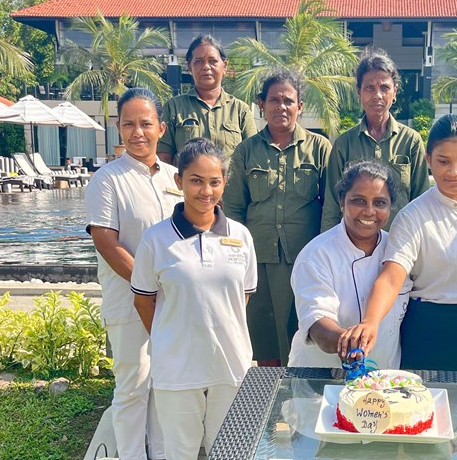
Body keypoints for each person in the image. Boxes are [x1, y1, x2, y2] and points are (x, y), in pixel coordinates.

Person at [339, 114, 457, 374]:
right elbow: (391, 278)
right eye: (443, 161)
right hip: (429, 334)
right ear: (427, 159)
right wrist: (370, 322)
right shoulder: (413, 216)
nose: (453, 171)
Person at [132, 138, 257, 460]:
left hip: (230, 365)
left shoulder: (241, 237)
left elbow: (241, 297)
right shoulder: (156, 239)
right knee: (180, 452)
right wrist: (170, 337)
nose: (206, 191)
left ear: (224, 183)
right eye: (196, 181)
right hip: (177, 369)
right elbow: (144, 302)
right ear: (179, 181)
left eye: (214, 182)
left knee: (230, 451)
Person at [85, 88, 180, 460]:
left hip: (174, 302)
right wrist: (148, 287)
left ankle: (159, 453)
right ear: (117, 128)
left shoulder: (176, 178)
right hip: (129, 301)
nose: (137, 132)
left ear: (161, 128)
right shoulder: (107, 180)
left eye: (145, 123)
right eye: (128, 124)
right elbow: (107, 242)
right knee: (132, 385)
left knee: (164, 383)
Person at [222, 68, 331, 366]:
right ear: (261, 104)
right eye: (273, 100)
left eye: (288, 100)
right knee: (263, 332)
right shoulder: (246, 152)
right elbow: (233, 210)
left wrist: (323, 253)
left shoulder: (320, 149)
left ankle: (299, 388)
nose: (280, 107)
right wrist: (236, 257)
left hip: (304, 257)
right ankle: (269, 391)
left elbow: (330, 206)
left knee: (302, 327)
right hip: (259, 257)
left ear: (300, 107)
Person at [287, 160, 409, 368]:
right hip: (319, 380)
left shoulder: (400, 250)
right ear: (342, 201)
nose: (369, 211)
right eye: (358, 201)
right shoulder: (316, 255)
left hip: (382, 379)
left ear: (390, 207)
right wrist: (349, 343)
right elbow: (317, 323)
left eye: (380, 203)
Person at [321, 47, 429, 231]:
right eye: (369, 88)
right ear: (359, 92)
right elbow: (332, 204)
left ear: (394, 92)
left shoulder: (411, 141)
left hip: (400, 243)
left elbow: (422, 201)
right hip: (353, 245)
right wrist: (327, 246)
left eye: (384, 88)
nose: (377, 95)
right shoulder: (344, 144)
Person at [158, 34, 257, 164]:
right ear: (189, 66)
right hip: (185, 184)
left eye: (212, 61)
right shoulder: (173, 108)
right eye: (199, 61)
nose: (206, 67)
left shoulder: (240, 110)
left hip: (230, 184)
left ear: (225, 66)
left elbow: (253, 155)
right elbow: (164, 157)